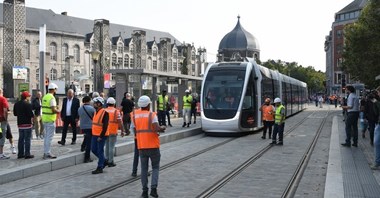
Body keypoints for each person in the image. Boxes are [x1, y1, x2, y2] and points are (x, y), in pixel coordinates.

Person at [130, 95, 166, 198]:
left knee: (144, 169)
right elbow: (156, 128)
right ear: (148, 105)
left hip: (141, 146)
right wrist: (162, 128)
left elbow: (133, 129)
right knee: (155, 167)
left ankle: (144, 191)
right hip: (153, 146)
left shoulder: (135, 115)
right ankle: (153, 190)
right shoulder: (152, 115)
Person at [104, 97, 126, 167]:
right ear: (114, 104)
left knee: (106, 146)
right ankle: (111, 161)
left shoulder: (104, 110)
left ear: (107, 103)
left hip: (105, 131)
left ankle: (106, 159)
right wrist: (123, 131)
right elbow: (120, 122)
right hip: (113, 131)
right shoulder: (116, 111)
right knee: (111, 147)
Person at [13, 91, 34, 159]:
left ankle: (20, 154)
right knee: (27, 139)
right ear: (26, 97)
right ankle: (27, 154)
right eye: (29, 96)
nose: (29, 98)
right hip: (27, 124)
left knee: (21, 139)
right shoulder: (28, 104)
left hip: (20, 124)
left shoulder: (16, 104)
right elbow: (31, 114)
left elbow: (15, 114)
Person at [42, 83, 60, 159]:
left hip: (45, 119)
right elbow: (53, 109)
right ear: (54, 89)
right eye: (56, 89)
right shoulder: (52, 98)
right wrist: (58, 110)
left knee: (46, 137)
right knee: (49, 137)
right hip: (50, 120)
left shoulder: (45, 97)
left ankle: (45, 152)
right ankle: (47, 153)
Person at [91, 97, 109, 174]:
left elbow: (105, 126)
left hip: (101, 135)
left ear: (99, 104)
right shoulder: (96, 112)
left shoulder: (105, 113)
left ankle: (100, 167)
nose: (93, 104)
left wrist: (101, 136)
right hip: (94, 134)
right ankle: (104, 160)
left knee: (100, 150)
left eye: (95, 103)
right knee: (94, 149)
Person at [78, 96, 96, 163]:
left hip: (83, 126)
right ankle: (87, 157)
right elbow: (95, 117)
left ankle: (82, 146)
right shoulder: (92, 109)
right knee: (89, 142)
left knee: (87, 137)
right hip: (90, 126)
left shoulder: (79, 109)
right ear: (89, 101)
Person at [0, 88, 10, 159]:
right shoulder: (3, 99)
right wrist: (6, 119)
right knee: (2, 136)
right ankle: (1, 153)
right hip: (2, 120)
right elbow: (5, 110)